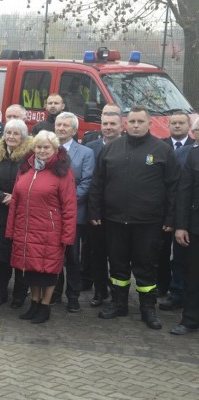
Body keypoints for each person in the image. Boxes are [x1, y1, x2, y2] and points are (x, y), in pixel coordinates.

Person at [89, 106, 180, 330]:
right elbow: (97, 184)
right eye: (132, 122)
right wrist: (95, 212)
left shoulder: (162, 150)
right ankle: (119, 304)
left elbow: (173, 187)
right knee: (118, 266)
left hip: (148, 223)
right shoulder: (111, 148)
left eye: (140, 121)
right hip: (115, 220)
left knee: (145, 266)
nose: (136, 125)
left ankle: (148, 309)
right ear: (125, 124)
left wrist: (170, 218)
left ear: (149, 124)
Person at [6, 130, 77, 324]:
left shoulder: (62, 172)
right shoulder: (26, 168)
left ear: (55, 149)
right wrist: (11, 229)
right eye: (38, 147)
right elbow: (15, 201)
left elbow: (69, 206)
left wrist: (67, 236)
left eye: (46, 147)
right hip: (26, 230)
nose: (42, 150)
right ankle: (34, 303)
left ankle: (45, 306)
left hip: (50, 232)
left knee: (48, 272)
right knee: (31, 270)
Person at [0, 119, 33, 308]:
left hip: (22, 214)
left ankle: (19, 295)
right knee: (0, 256)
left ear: (23, 137)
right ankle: (1, 292)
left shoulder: (31, 156)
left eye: (16, 134)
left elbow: (35, 183)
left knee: (20, 256)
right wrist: (1, 196)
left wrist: (17, 198)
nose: (11, 137)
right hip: (0, 212)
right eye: (8, 133)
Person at [51, 112, 95, 312]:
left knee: (73, 257)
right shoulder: (47, 150)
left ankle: (73, 296)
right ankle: (55, 292)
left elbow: (87, 182)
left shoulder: (85, 153)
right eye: (58, 124)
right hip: (51, 215)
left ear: (74, 130)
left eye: (65, 125)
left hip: (74, 214)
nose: (61, 128)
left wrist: (65, 202)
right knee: (54, 255)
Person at [85, 104, 123, 307]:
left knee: (117, 255)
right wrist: (93, 211)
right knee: (96, 254)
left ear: (120, 126)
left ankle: (118, 292)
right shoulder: (91, 148)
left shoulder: (126, 146)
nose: (108, 127)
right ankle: (99, 292)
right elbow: (92, 183)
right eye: (105, 124)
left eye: (112, 124)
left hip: (118, 212)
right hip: (96, 211)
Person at [157, 111, 193, 302]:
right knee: (164, 251)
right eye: (174, 123)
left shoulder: (192, 149)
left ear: (190, 127)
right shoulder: (161, 146)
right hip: (168, 210)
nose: (177, 126)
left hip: (188, 210)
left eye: (181, 123)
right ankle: (166, 286)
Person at [172, 120, 199, 335]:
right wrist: (180, 226)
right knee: (193, 275)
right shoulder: (193, 155)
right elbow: (184, 192)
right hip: (195, 228)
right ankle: (190, 320)